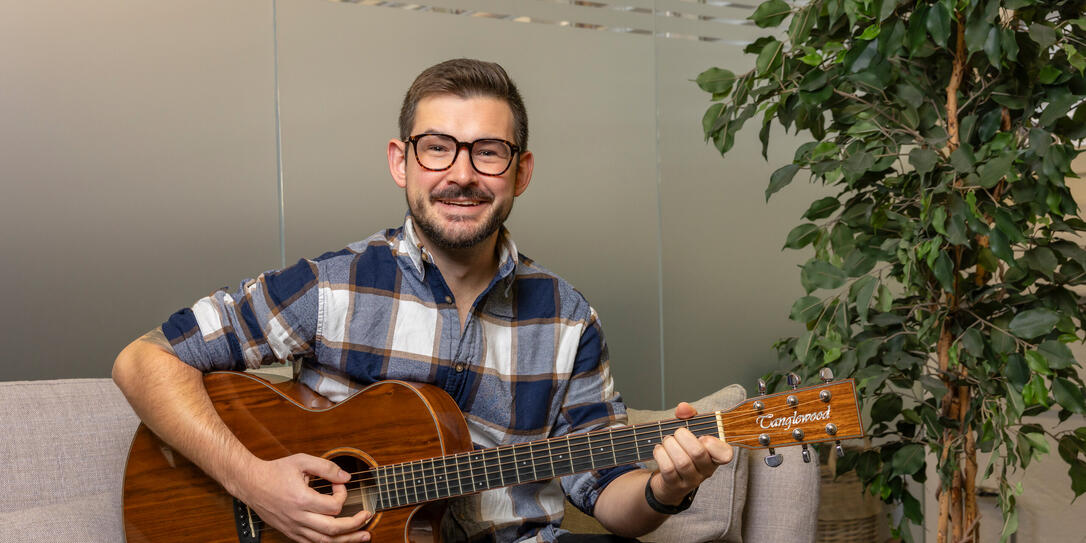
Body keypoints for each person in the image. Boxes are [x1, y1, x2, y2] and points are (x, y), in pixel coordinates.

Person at [112, 58, 732, 543]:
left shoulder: (568, 319)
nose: (461, 174)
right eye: (437, 147)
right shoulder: (330, 288)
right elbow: (143, 362)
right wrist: (255, 483)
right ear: (400, 162)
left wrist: (665, 489)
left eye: (488, 152)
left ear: (521, 172)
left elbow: (609, 497)